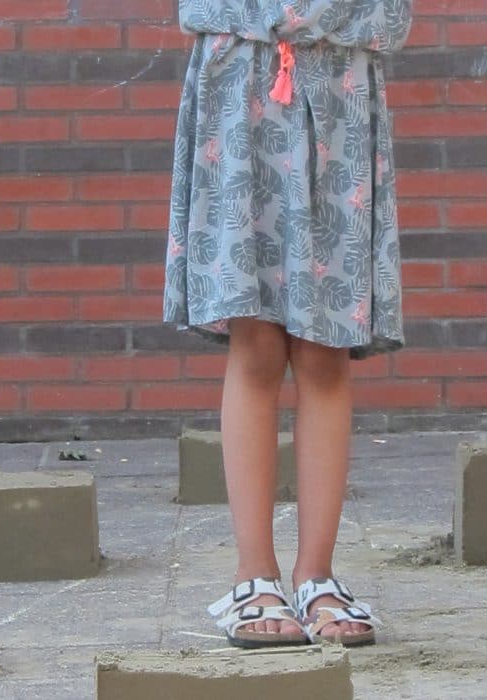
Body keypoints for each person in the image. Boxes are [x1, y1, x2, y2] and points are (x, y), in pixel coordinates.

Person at [164, 0, 412, 648]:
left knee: (326, 347)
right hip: (239, 76)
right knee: (255, 344)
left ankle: (317, 577)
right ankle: (254, 576)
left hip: (339, 84)